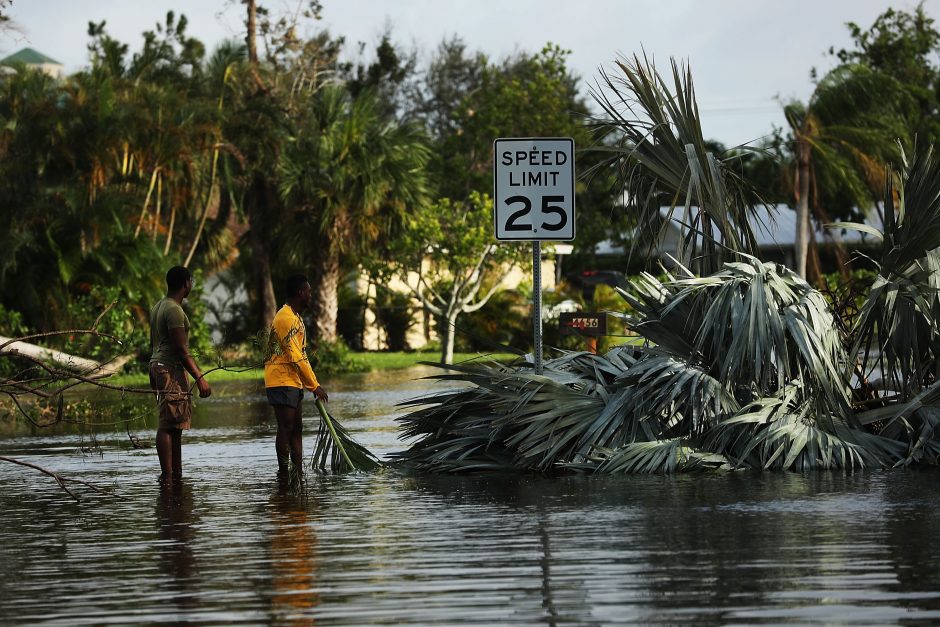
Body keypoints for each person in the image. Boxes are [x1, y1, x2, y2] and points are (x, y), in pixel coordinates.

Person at [149, 266, 211, 480]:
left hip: (158, 366)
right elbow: (181, 349)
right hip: (168, 368)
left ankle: (175, 476)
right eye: (191, 281)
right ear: (186, 283)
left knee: (174, 424)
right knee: (168, 424)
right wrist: (200, 378)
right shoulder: (174, 310)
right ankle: (168, 477)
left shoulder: (159, 306)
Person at [264, 274, 329, 472]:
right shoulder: (285, 318)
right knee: (286, 427)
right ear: (301, 292)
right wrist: (314, 386)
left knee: (296, 428)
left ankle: (298, 471)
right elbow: (294, 356)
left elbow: (302, 355)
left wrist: (312, 383)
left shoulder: (296, 318)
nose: (311, 295)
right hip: (281, 380)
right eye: (309, 292)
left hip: (292, 381)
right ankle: (284, 473)